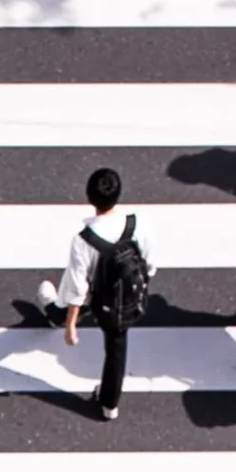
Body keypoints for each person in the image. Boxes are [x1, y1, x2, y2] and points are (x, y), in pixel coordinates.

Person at [36, 165, 153, 422]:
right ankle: (109, 404)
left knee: (75, 286)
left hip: (102, 300)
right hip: (131, 298)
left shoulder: (84, 240)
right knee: (116, 350)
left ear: (90, 198)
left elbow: (79, 287)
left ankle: (57, 313)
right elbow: (149, 263)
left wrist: (70, 326)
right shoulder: (136, 224)